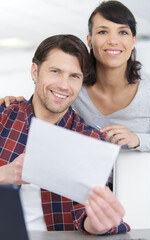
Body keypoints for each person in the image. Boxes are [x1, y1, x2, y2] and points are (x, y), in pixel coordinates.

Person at [0, 34, 130, 235]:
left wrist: (95, 223)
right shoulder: (3, 118)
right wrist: (5, 174)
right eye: (55, 71)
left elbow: (86, 212)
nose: (63, 85)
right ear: (35, 71)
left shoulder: (90, 140)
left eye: (74, 76)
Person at [2, 1, 150, 152]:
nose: (113, 40)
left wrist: (138, 139)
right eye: (103, 32)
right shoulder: (75, 85)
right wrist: (14, 105)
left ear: (133, 41)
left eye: (123, 32)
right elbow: (46, 100)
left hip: (136, 176)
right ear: (90, 41)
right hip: (82, 172)